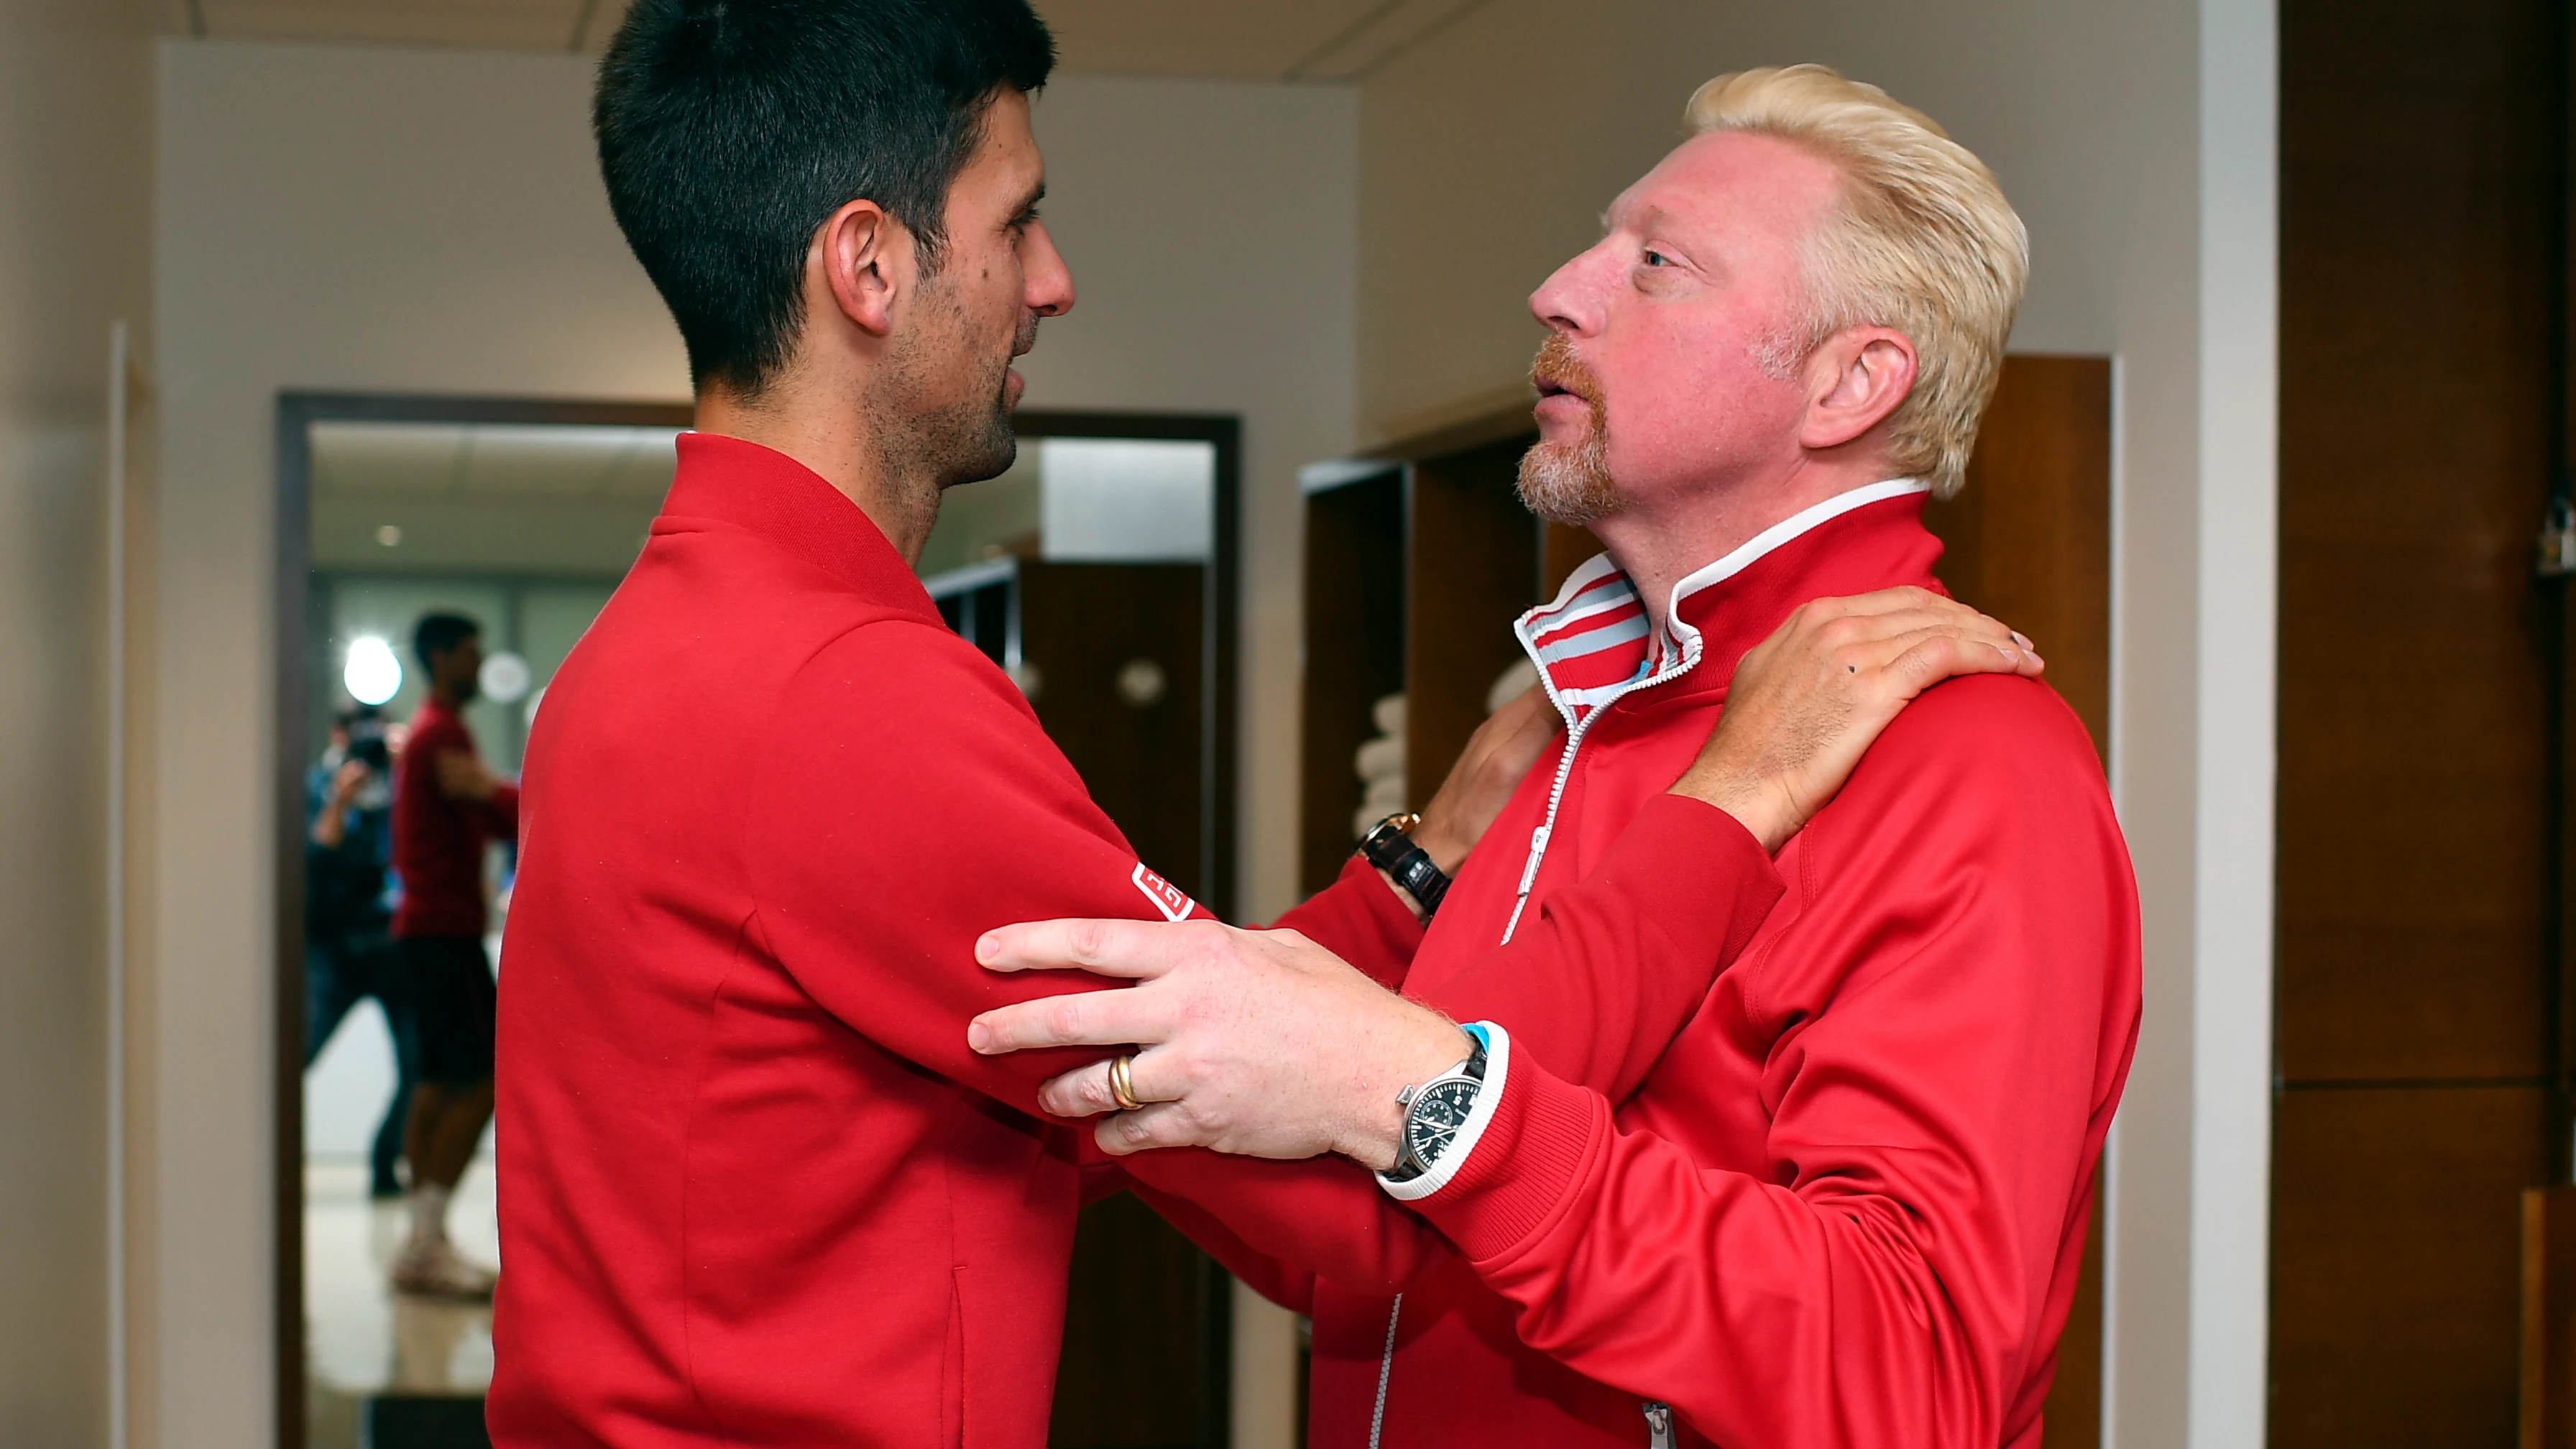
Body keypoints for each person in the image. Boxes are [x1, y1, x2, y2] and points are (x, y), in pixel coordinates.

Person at [485, 7, 2044, 1445]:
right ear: (868, 270)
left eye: (1654, 262)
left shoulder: (652, 653)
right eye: (1016, 219)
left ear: (1853, 382)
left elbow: (1180, 1070)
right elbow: (1348, 1218)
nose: (1053, 278)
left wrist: (1417, 865)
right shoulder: (843, 698)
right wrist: (1730, 799)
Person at [969, 66, 2142, 1449]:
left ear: (1847, 383)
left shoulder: (1961, 757)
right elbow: (1355, 1246)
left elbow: (1914, 1374)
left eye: (1653, 263)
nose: (1555, 288)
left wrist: (1452, 1117)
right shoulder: (1568, 722)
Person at [388, 611, 517, 1299]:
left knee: (439, 1082)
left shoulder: (431, 733)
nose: (479, 663)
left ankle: (421, 1238)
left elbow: (491, 811)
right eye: (471, 652)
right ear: (441, 657)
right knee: (478, 1082)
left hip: (429, 930)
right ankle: (425, 1243)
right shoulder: (441, 735)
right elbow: (507, 815)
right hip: (444, 931)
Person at [305, 704, 415, 1199]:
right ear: (337, 736)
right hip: (332, 948)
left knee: (417, 1066)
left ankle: (385, 1164)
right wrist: (339, 803)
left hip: (393, 947)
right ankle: (268, 1159)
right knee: (297, 1055)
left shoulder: (401, 787)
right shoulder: (315, 786)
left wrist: (410, 772)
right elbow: (311, 860)